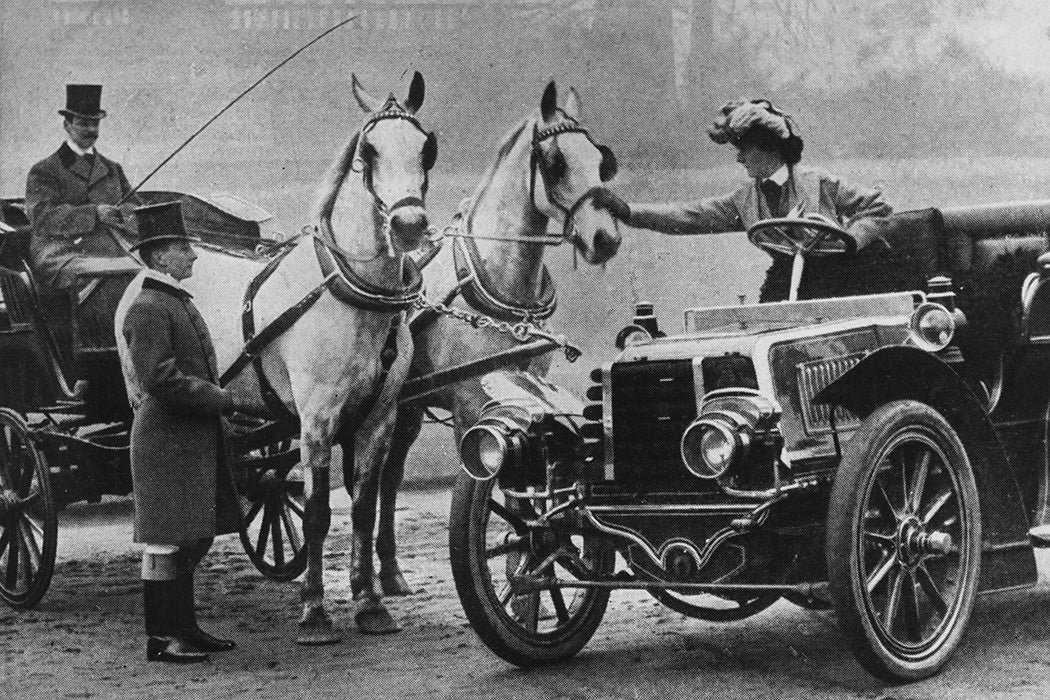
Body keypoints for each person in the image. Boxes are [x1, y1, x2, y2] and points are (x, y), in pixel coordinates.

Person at [594, 99, 893, 302]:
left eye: (744, 149)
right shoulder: (744, 200)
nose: (738, 158)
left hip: (841, 277)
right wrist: (627, 211)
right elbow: (691, 216)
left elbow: (877, 209)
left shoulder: (819, 183)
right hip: (785, 277)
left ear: (767, 148)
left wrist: (851, 240)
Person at [115, 201, 240, 664]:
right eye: (185, 248)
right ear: (162, 255)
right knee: (165, 540)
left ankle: (185, 629)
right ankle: (162, 639)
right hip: (165, 440)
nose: (194, 256)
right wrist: (220, 398)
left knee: (189, 535)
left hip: (185, 437)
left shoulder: (169, 300)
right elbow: (160, 379)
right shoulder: (149, 306)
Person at [25, 84, 142, 291]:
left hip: (112, 248)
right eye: (84, 124)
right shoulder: (44, 170)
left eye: (95, 124)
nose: (92, 130)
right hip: (62, 252)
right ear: (67, 125)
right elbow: (42, 218)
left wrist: (123, 213)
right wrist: (95, 214)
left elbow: (135, 206)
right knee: (114, 276)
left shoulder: (112, 168)